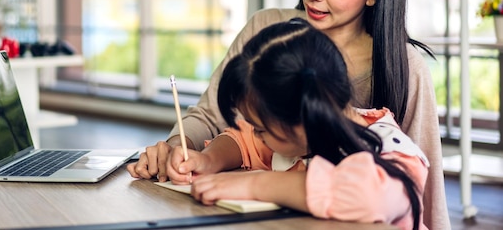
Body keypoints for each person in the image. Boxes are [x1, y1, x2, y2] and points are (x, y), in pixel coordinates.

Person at [127, 0, 450, 229]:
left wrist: (254, 184)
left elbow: (423, 192)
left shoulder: (398, 87)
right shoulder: (269, 32)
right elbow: (237, 133)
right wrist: (183, 152)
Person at [168, 18, 428, 230]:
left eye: (261, 129)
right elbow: (243, 139)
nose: (257, 135)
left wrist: (255, 184)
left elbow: (367, 197)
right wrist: (209, 160)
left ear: (301, 120)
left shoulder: (395, 153)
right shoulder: (296, 137)